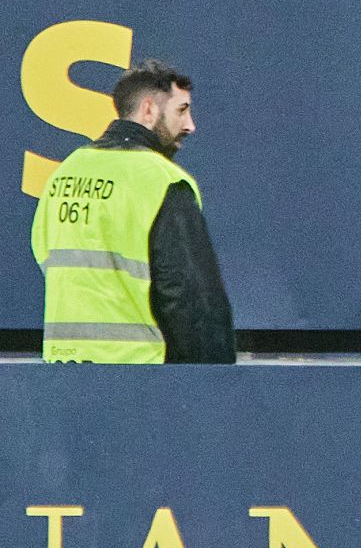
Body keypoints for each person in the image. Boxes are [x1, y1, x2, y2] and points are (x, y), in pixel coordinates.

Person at [30, 60, 235, 365]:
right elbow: (191, 301)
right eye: (181, 110)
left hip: (62, 372)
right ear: (149, 110)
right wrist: (216, 384)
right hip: (138, 378)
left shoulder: (67, 171)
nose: (191, 125)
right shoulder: (162, 180)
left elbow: (45, 253)